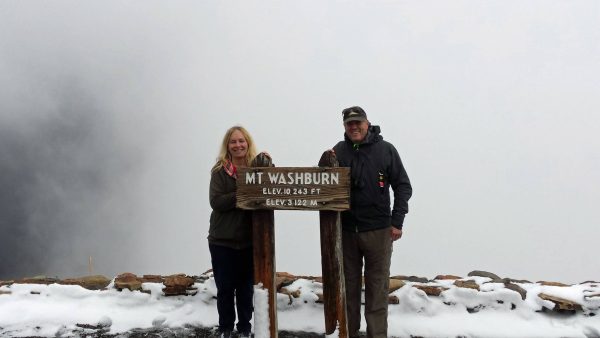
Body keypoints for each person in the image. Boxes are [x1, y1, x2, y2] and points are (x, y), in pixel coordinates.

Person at [332, 106, 412, 338]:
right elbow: (324, 184)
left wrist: (397, 221)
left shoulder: (386, 150)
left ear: (368, 123)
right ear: (345, 127)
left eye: (358, 122)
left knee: (377, 290)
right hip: (346, 231)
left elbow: (403, 186)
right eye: (349, 124)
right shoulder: (338, 151)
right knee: (349, 290)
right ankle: (349, 333)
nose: (354, 127)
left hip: (378, 231)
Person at [208, 126, 261, 338]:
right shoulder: (219, 171)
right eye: (233, 142)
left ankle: (245, 328)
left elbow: (268, 188)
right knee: (226, 289)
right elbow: (216, 202)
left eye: (241, 141)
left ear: (247, 143)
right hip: (222, 240)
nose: (238, 145)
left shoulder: (256, 168)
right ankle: (226, 329)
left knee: (246, 289)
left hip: (249, 241)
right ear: (227, 146)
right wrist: (244, 191)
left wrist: (267, 159)